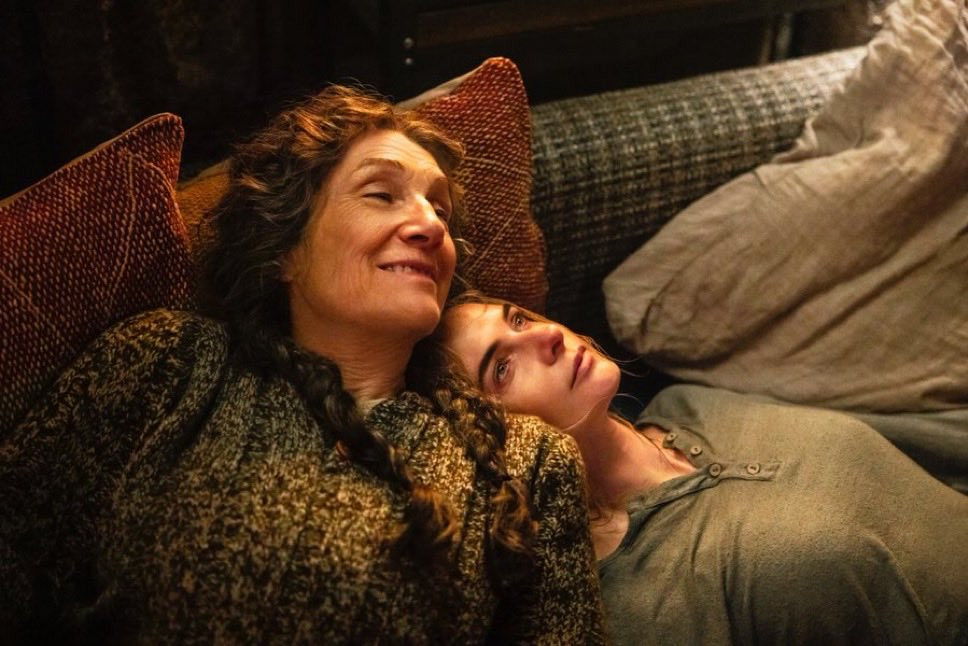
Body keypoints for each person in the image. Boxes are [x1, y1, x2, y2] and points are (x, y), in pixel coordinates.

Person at [0, 87, 606, 643]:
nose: (429, 224)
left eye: (441, 211)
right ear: (285, 247)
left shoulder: (527, 460)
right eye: (381, 194)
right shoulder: (166, 364)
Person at [435, 292, 968, 645]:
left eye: (519, 318)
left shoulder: (689, 404)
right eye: (502, 368)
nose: (546, 335)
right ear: (485, 443)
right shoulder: (639, 607)